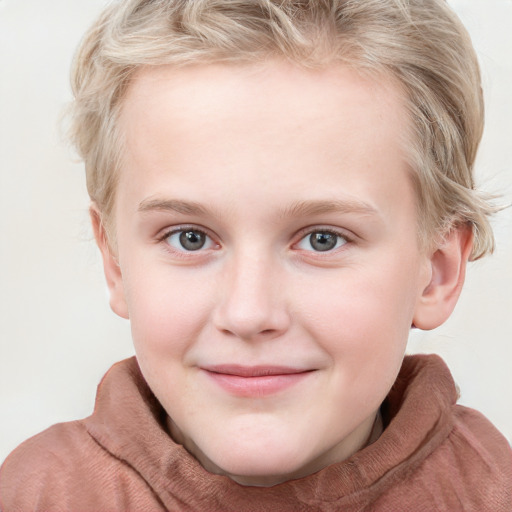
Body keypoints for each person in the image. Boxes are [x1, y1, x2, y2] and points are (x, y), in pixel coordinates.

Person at [1, 0, 511, 510]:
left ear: (437, 272)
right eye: (190, 238)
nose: (248, 314)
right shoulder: (36, 495)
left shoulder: (491, 491)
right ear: (114, 261)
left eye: (322, 240)